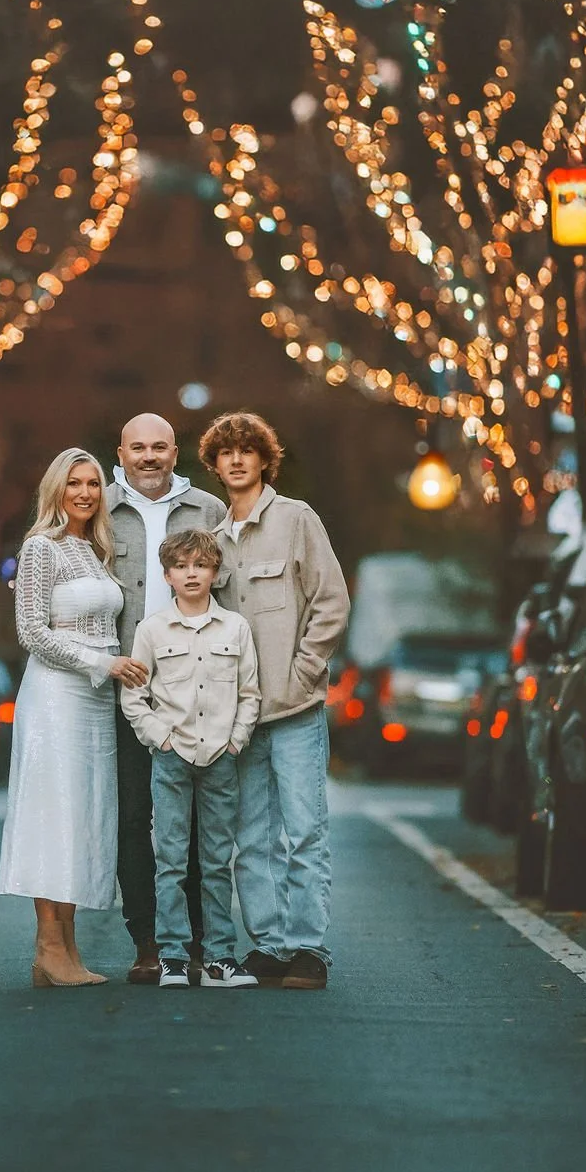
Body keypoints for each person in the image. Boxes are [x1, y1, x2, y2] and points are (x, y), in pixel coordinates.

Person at [200, 412, 350, 991]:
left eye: (247, 450)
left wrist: (302, 673)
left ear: (265, 459)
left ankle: (309, 948)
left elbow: (331, 602)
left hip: (294, 712)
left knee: (305, 832)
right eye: (226, 452)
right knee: (252, 839)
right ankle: (270, 944)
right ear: (215, 466)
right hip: (239, 719)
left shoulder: (295, 519)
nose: (237, 459)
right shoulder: (212, 542)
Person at [0, 448, 148, 987]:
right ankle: (47, 945)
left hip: (96, 702)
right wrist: (103, 663)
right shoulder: (42, 547)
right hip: (56, 698)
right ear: (55, 489)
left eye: (93, 484)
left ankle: (66, 948)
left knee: (85, 817)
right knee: (54, 815)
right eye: (74, 483)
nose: (84, 493)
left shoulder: (94, 549)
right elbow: (32, 632)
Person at [107, 412, 226, 985]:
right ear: (121, 454)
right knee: (133, 817)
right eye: (138, 448)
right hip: (124, 689)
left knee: (198, 821)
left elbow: (232, 594)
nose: (149, 457)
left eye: (159, 447)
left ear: (176, 453)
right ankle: (148, 941)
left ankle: (198, 942)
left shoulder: (209, 510)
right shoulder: (99, 510)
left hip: (196, 691)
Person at [121, 530, 261, 988]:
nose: (192, 574)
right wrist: (160, 739)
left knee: (217, 861)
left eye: (201, 565)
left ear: (215, 573)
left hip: (220, 757)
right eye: (181, 567)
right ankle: (174, 957)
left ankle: (220, 956)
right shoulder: (152, 630)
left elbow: (249, 693)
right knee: (171, 861)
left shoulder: (235, 628)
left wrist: (236, 740)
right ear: (167, 576)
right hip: (171, 757)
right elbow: (134, 697)